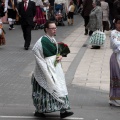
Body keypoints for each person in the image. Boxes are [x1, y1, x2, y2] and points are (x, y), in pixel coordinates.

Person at [31, 21, 74, 118]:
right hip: (46, 69)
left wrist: (60, 56)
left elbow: (56, 53)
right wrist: (46, 70)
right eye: (53, 28)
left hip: (55, 68)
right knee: (45, 90)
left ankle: (63, 110)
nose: (55, 29)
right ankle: (40, 110)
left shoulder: (52, 39)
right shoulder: (42, 41)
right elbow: (37, 53)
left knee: (60, 86)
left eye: (55, 28)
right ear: (47, 29)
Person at [109, 15, 120, 107]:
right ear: (115, 23)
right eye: (118, 23)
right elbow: (115, 44)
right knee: (116, 77)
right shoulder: (113, 33)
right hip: (116, 57)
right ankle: (115, 99)